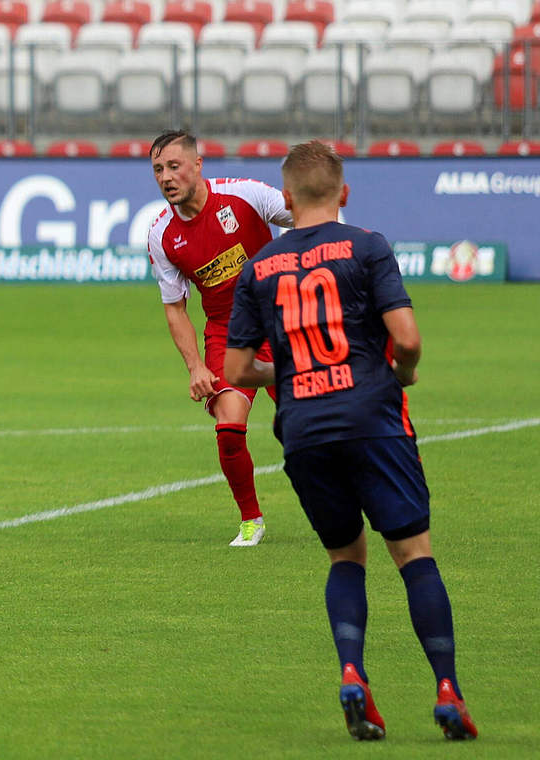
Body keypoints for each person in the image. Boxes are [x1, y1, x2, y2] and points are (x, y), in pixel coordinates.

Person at [225, 140, 477, 741]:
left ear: (284, 199)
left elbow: (236, 371)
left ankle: (352, 673)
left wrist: (288, 374)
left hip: (305, 430)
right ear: (344, 193)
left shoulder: (259, 267)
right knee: (414, 554)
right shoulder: (367, 246)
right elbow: (408, 339)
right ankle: (447, 691)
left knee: (346, 557)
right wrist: (403, 375)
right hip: (372, 418)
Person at [146, 130, 292, 546]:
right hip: (229, 332)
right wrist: (194, 366)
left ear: (197, 165)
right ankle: (251, 520)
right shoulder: (162, 235)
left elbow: (308, 217)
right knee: (228, 426)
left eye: (174, 166)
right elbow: (175, 307)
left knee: (302, 429)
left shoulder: (245, 196)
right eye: (158, 169)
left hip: (280, 321)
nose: (166, 177)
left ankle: (334, 496)